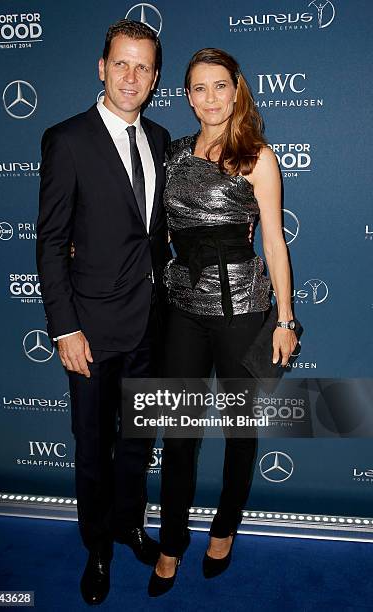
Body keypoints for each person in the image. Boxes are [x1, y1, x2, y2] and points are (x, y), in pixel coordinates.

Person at [148, 48, 297, 596]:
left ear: (236, 89)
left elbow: (275, 243)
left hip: (244, 313)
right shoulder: (175, 153)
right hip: (182, 311)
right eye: (196, 88)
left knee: (240, 431)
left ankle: (225, 526)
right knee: (179, 435)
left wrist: (285, 319)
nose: (207, 98)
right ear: (185, 95)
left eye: (217, 86)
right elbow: (155, 232)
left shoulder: (256, 156)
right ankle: (170, 542)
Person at [36, 19, 171, 605]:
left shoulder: (162, 139)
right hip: (88, 329)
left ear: (155, 78)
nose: (131, 76)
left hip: (151, 326)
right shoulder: (66, 139)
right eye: (121, 63)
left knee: (139, 442)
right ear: (101, 67)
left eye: (143, 66)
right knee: (92, 447)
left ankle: (129, 524)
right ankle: (97, 545)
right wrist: (64, 326)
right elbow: (49, 242)